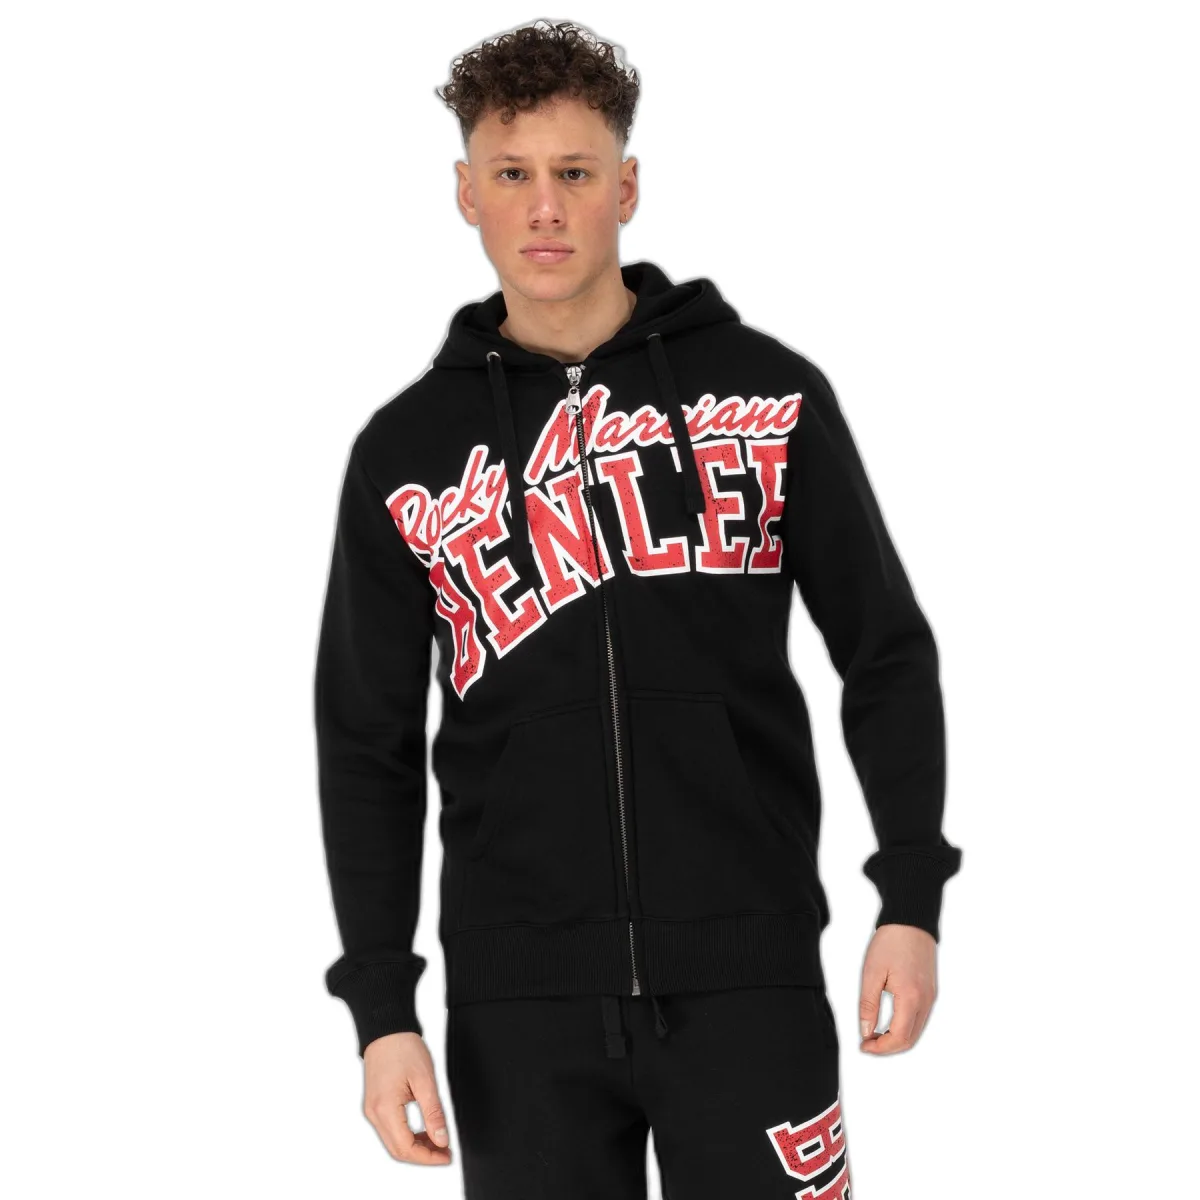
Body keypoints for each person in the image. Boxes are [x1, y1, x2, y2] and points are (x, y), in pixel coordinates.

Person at [315, 18, 962, 1196]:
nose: (544, 208)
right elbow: (367, 743)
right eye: (512, 174)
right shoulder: (405, 454)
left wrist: (910, 897)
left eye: (575, 173)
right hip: (519, 1010)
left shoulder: (764, 395)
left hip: (750, 978)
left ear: (626, 187)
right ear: (465, 193)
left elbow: (885, 652)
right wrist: (381, 1009)